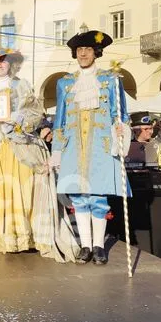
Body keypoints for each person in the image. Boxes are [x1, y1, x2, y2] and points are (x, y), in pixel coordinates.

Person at [0, 48, 76, 262]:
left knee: (19, 186)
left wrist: (14, 117)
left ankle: (20, 235)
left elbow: (35, 113)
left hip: (17, 144)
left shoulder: (21, 86)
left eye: (3, 61)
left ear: (11, 63)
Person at [52, 30, 130, 265]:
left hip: (101, 147)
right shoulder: (65, 83)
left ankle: (98, 246)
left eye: (87, 50)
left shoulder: (112, 80)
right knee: (78, 197)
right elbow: (60, 119)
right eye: (79, 50)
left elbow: (121, 114)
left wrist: (121, 130)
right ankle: (85, 245)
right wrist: (57, 151)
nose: (83, 54)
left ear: (96, 52)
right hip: (73, 148)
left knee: (98, 197)